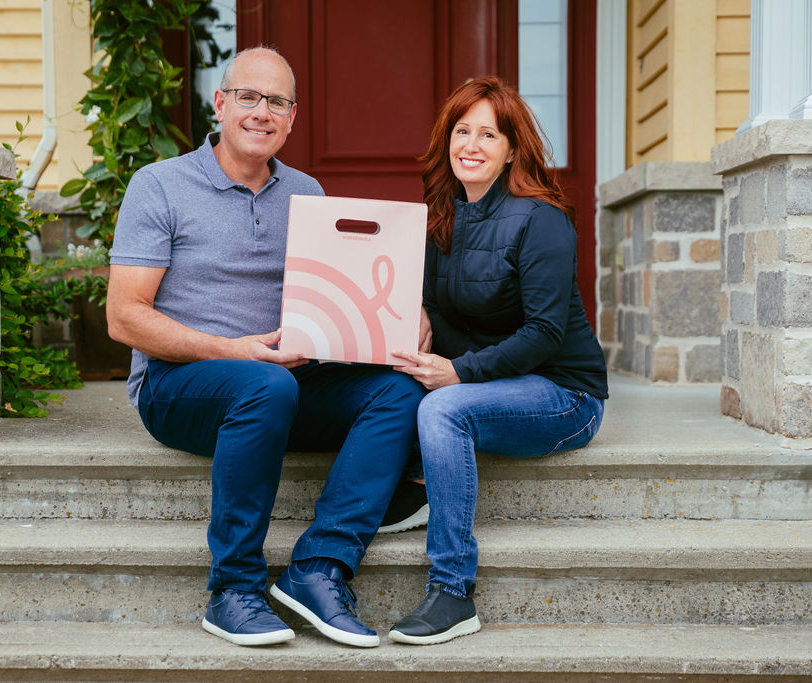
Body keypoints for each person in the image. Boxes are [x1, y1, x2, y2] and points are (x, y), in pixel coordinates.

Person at [107, 46, 424, 648]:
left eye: (277, 101)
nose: (262, 111)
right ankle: (233, 590)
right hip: (181, 386)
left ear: (293, 116)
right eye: (249, 97)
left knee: (397, 390)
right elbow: (124, 319)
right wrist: (235, 351)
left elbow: (344, 290)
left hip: (282, 381)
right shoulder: (161, 186)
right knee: (266, 383)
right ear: (221, 104)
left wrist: (409, 313)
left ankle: (319, 568)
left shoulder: (307, 191)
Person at [388, 76, 609, 645]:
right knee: (387, 380)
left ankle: (453, 592)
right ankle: (411, 484)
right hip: (496, 382)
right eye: (463, 130)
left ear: (513, 148)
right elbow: (439, 300)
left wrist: (458, 373)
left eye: (489, 133)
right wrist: (423, 320)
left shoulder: (542, 220)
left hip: (564, 394)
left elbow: (544, 333)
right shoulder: (442, 212)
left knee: (443, 411)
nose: (472, 144)